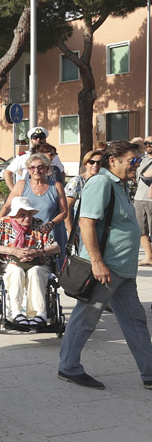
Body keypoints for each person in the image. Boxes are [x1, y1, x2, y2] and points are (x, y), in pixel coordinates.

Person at [58, 141, 152, 391]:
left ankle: (149, 373)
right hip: (105, 270)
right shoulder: (101, 183)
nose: (137, 165)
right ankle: (68, 367)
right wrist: (98, 263)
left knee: (135, 320)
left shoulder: (120, 184)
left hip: (122, 269)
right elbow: (87, 223)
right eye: (133, 160)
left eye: (139, 160)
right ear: (114, 161)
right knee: (86, 318)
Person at [0, 196, 60, 328]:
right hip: (11, 262)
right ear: (14, 215)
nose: (27, 218)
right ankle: (16, 312)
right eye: (22, 215)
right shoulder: (3, 224)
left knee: (35, 272)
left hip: (38, 262)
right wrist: (14, 251)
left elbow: (56, 247)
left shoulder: (39, 225)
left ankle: (40, 314)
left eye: (29, 214)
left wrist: (39, 252)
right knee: (16, 271)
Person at [0, 153, 68, 266]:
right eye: (32, 167)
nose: (36, 170)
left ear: (47, 168)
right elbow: (7, 206)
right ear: (28, 169)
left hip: (50, 233)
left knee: (54, 268)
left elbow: (64, 212)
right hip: (28, 235)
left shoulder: (56, 186)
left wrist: (51, 223)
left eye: (40, 167)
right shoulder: (21, 185)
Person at [65, 149, 103, 234]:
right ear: (85, 164)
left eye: (99, 162)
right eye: (92, 162)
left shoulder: (103, 182)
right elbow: (66, 208)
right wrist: (71, 231)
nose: (95, 165)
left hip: (98, 230)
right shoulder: (77, 181)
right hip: (80, 231)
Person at [133, 136, 152, 265]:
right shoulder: (141, 159)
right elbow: (124, 156)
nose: (148, 145)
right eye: (146, 143)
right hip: (139, 198)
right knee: (141, 229)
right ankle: (148, 257)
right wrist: (133, 143)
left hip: (151, 199)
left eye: (151, 143)